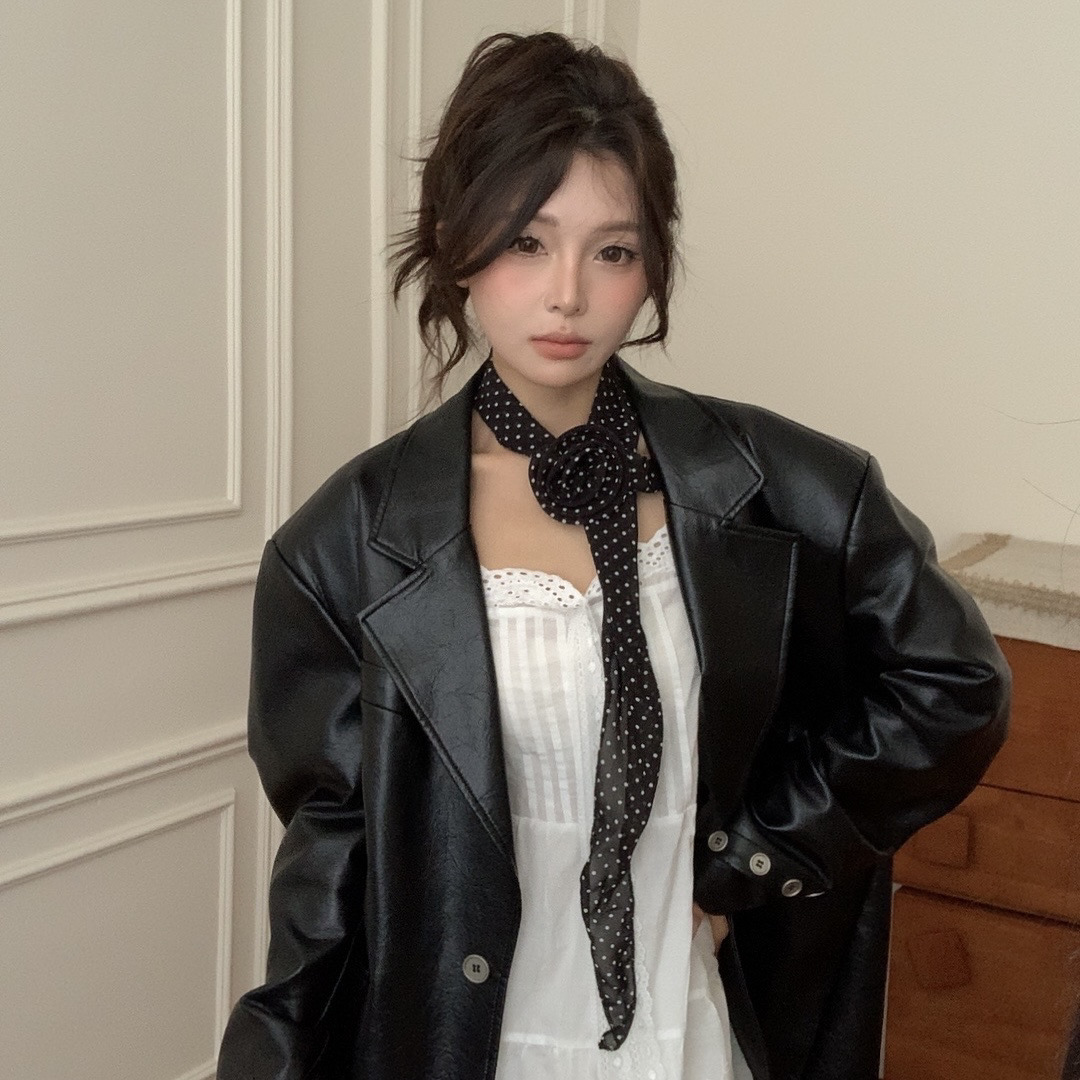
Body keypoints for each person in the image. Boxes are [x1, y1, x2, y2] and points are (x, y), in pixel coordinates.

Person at [217, 30, 1010, 1080]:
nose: (567, 295)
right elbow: (331, 880)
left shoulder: (787, 486)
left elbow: (954, 686)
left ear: (651, 266)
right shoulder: (345, 550)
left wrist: (755, 860)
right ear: (456, 242)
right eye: (526, 242)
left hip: (691, 1027)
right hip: (470, 1044)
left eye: (614, 251)